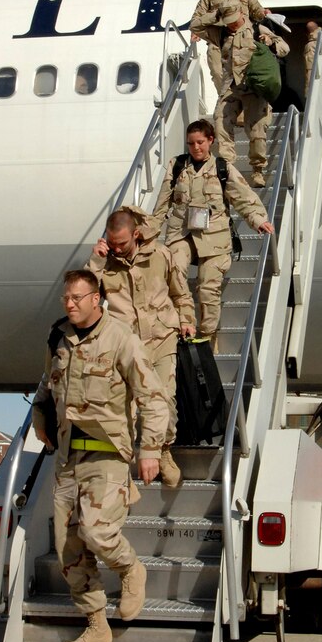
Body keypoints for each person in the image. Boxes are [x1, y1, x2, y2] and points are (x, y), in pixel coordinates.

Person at [32, 269, 169, 642]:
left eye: (77, 298)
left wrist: (150, 450)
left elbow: (153, 397)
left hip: (107, 454)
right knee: (68, 548)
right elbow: (48, 381)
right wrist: (41, 413)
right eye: (66, 299)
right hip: (68, 457)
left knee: (97, 532)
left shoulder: (120, 337)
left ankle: (129, 570)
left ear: (97, 298)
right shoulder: (58, 337)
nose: (70, 304)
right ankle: (96, 628)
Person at [86, 206, 196, 486]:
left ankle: (163, 450)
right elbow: (84, 297)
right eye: (112, 244)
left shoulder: (160, 255)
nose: (117, 249)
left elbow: (180, 291)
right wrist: (97, 263)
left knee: (164, 400)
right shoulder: (106, 263)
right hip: (127, 345)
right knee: (126, 407)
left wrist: (187, 320)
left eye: (121, 243)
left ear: (136, 234)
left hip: (162, 337)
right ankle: (126, 462)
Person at [151, 120, 274, 350]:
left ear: (210, 141)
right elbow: (162, 204)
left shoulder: (222, 168)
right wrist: (149, 232)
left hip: (214, 237)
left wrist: (258, 219)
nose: (196, 147)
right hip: (182, 233)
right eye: (191, 143)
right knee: (174, 270)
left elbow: (242, 196)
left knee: (208, 286)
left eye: (200, 142)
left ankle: (207, 337)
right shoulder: (177, 166)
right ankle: (183, 326)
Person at [208, 0, 290, 187]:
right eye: (227, 19)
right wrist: (217, 15)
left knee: (257, 131)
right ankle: (228, 166)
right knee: (220, 120)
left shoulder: (256, 29)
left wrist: (269, 42)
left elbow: (285, 48)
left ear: (242, 15)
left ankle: (257, 170)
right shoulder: (220, 33)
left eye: (233, 18)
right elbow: (196, 24)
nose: (230, 24)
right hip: (231, 87)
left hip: (253, 87)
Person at [190, 0, 267, 96]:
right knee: (217, 72)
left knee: (244, 73)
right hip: (219, 39)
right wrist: (199, 30)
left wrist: (264, 13)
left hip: (242, 39)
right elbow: (197, 17)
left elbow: (256, 10)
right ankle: (227, 100)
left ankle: (244, 103)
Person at [304, 20, 322, 97]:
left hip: (314, 78)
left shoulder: (312, 44)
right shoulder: (319, 39)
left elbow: (310, 71)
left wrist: (308, 94)